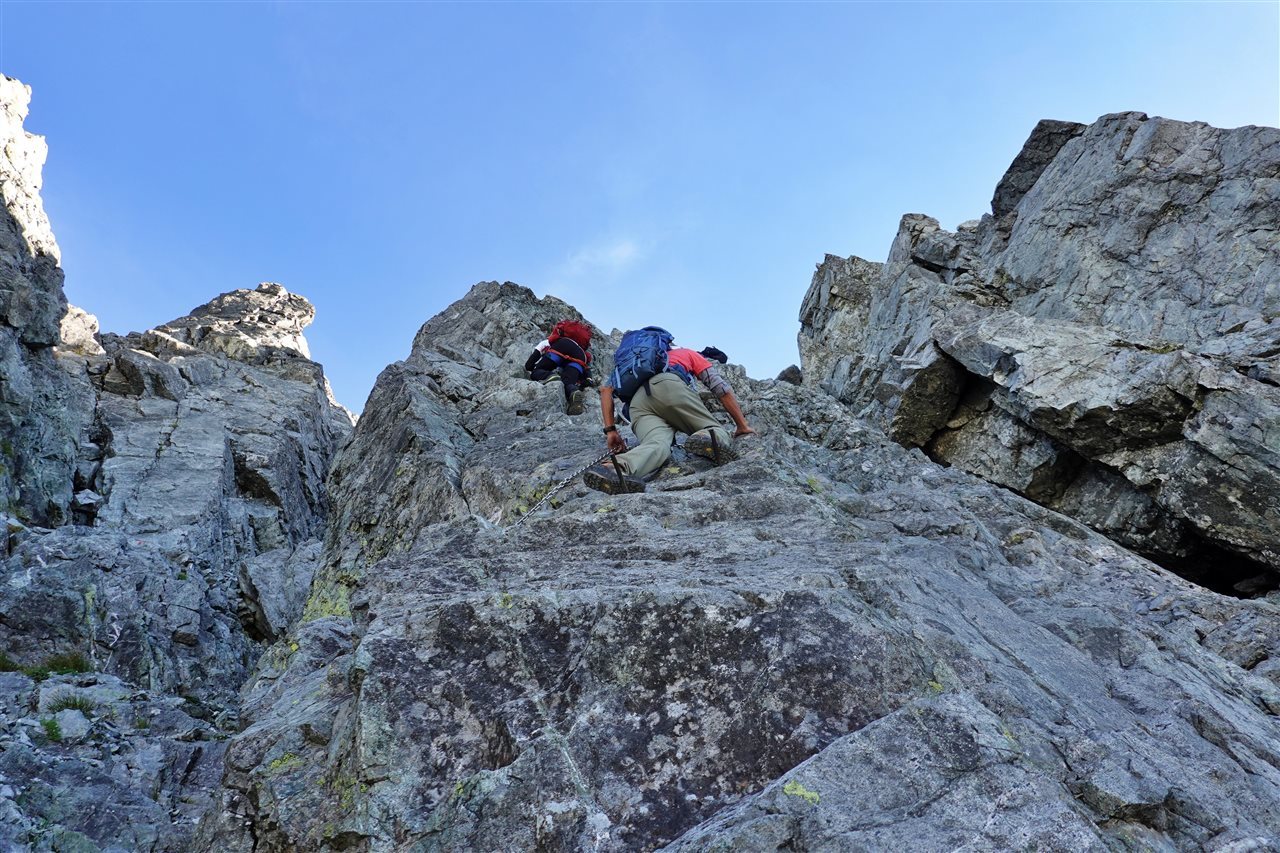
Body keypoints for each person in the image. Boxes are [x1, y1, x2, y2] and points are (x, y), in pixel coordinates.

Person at [585, 339, 755, 494]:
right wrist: (742, 425)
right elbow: (720, 388)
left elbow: (606, 391)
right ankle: (706, 436)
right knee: (713, 428)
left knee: (658, 445)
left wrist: (610, 431)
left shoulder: (631, 364)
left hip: (638, 404)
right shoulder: (687, 353)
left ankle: (616, 468)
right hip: (669, 386)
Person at [525, 320, 593, 415]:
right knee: (568, 383)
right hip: (579, 357)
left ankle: (550, 376)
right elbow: (586, 369)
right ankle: (573, 391)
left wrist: (532, 367)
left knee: (537, 372)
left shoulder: (557, 340)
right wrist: (588, 379)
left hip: (561, 347)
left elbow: (531, 361)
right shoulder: (583, 352)